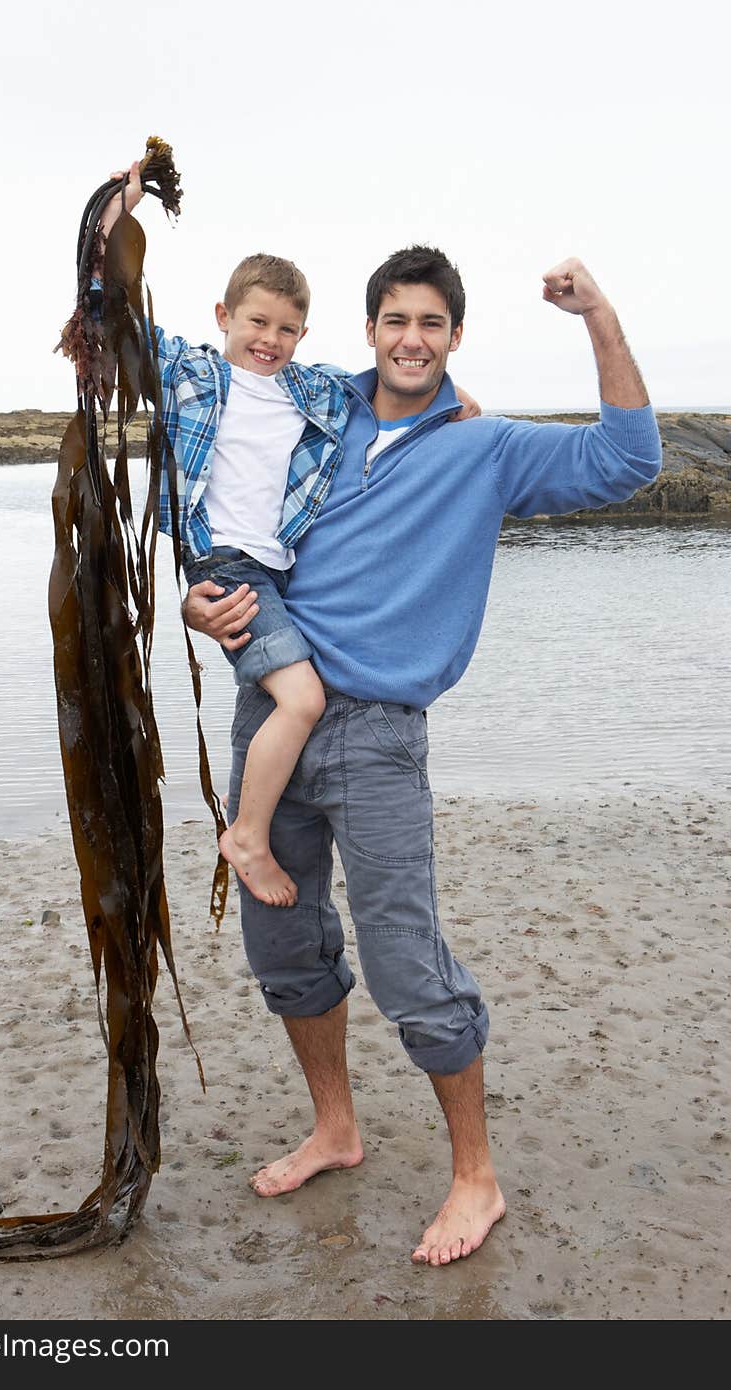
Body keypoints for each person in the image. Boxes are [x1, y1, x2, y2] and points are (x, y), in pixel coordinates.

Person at [184, 245, 663, 1265]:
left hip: (377, 736)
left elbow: (629, 463)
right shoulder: (313, 406)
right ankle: (335, 1127)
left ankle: (475, 1177)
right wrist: (198, 601)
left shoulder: (482, 445)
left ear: (454, 336)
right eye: (395, 321)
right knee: (282, 949)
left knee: (407, 965)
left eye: (431, 325)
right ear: (368, 331)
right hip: (270, 708)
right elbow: (224, 508)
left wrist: (600, 318)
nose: (411, 339)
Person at [97, 166, 479, 907]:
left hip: (270, 570)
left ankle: (254, 826)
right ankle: (247, 834)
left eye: (286, 329)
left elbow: (392, 378)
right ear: (224, 315)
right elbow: (113, 308)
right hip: (225, 562)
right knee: (301, 700)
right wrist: (119, 210)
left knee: (290, 699)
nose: (269, 340)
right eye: (256, 323)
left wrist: (459, 404)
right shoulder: (189, 375)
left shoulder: (312, 390)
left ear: (303, 334)